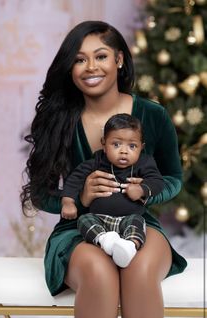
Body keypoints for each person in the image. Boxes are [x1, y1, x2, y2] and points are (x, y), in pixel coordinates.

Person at [21, 20, 187, 318]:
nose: (90, 67)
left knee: (139, 267)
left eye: (100, 56)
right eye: (79, 60)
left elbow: (174, 179)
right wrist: (79, 198)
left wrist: (146, 193)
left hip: (139, 224)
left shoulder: (153, 115)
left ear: (119, 59)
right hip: (79, 229)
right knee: (99, 272)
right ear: (70, 69)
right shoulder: (58, 119)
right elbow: (39, 193)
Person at [61, 113, 165, 268]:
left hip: (129, 217)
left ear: (141, 147)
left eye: (132, 146)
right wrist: (68, 202)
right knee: (84, 220)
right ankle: (106, 241)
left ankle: (130, 247)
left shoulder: (144, 163)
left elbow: (158, 182)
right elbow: (74, 179)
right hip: (100, 218)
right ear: (104, 144)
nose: (124, 151)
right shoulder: (97, 162)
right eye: (116, 144)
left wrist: (143, 189)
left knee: (138, 223)